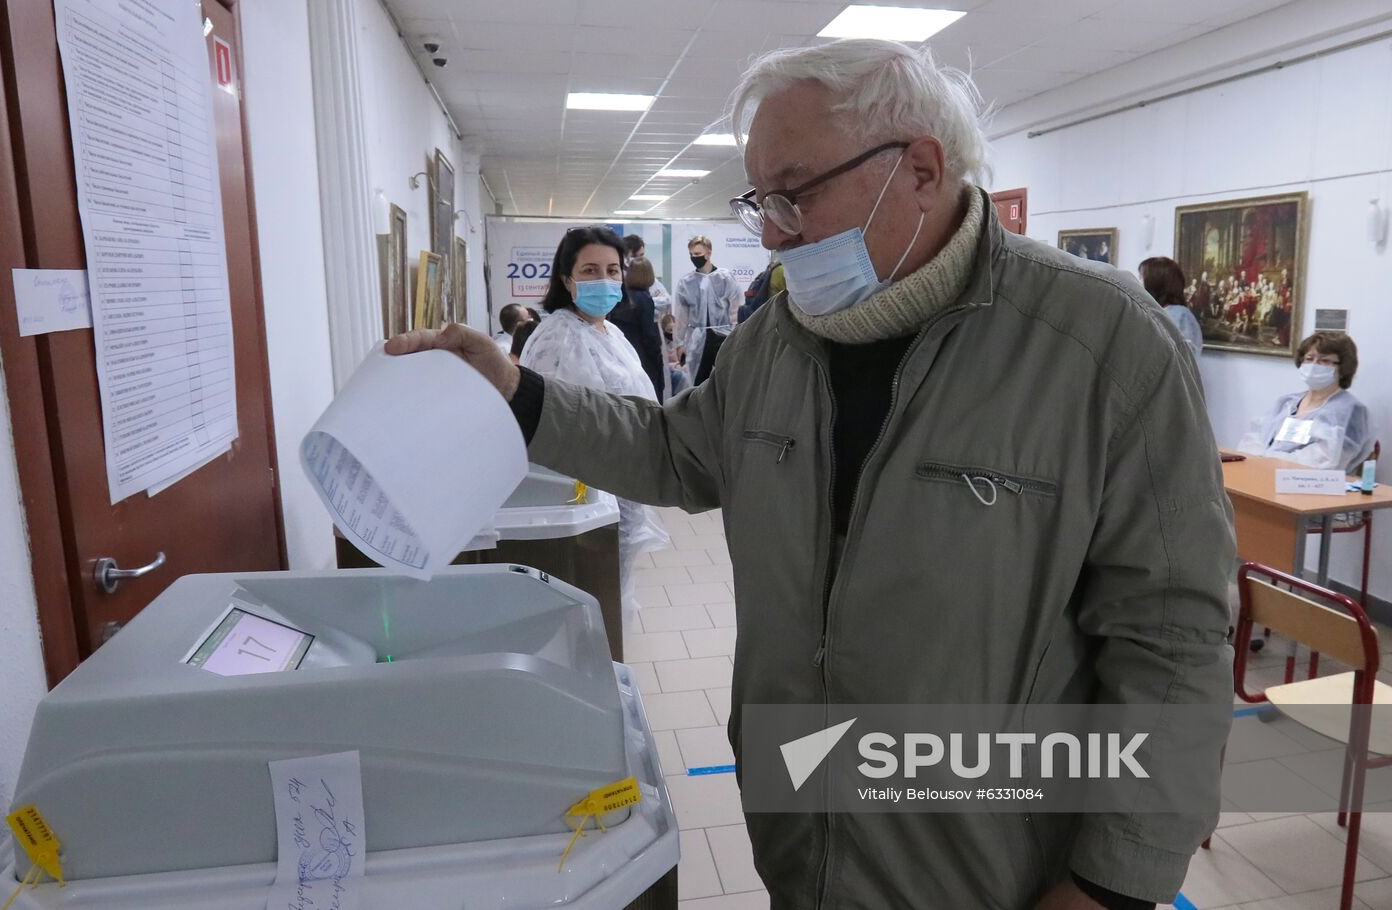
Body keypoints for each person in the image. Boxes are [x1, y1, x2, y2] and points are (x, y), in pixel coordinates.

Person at [389, 38, 1233, 910]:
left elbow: (1171, 631)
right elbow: (675, 452)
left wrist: (1112, 884)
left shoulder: (1101, 345)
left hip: (993, 861)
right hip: (803, 834)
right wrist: (517, 391)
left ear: (921, 169)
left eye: (795, 193)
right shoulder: (776, 340)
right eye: (760, 199)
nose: (770, 231)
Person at [515, 227, 670, 612]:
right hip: (585, 494)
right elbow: (545, 426)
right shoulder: (556, 337)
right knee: (589, 595)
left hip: (624, 481)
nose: (604, 280)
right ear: (567, 280)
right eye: (589, 271)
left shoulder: (610, 331)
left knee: (614, 589)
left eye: (612, 270)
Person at [1237, 331, 1374, 473]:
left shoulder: (1351, 411)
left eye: (1324, 361)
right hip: (1263, 474)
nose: (1314, 365)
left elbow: (1325, 462)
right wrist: (1264, 460)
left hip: (1309, 483)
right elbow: (1252, 441)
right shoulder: (1286, 403)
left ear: (1343, 367)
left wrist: (1268, 459)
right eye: (1309, 358)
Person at [674, 234, 741, 384]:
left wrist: (735, 334)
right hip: (697, 339)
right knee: (698, 381)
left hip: (723, 337)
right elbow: (681, 316)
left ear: (708, 253)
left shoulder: (725, 278)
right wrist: (679, 343)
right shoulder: (686, 283)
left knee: (727, 380)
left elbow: (735, 309)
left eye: (697, 254)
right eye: (691, 254)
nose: (694, 258)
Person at [610, 256, 665, 401]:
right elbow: (649, 335)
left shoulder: (620, 296)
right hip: (643, 358)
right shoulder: (645, 300)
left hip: (621, 354)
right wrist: (657, 356)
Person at [1139, 256, 1202, 360]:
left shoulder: (1181, 316)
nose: (1138, 282)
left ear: (1156, 282)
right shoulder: (1150, 312)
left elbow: (1183, 361)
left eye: (1141, 278)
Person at [622, 233, 671, 312]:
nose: (640, 260)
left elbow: (667, 300)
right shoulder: (616, 276)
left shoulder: (645, 275)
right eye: (634, 256)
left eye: (642, 255)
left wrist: (645, 301)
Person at [660, 311, 689, 397]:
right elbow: (663, 364)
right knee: (679, 376)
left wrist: (682, 365)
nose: (672, 333)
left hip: (678, 369)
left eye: (674, 330)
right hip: (668, 372)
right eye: (669, 330)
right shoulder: (661, 344)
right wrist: (675, 366)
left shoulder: (678, 342)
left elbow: (683, 361)